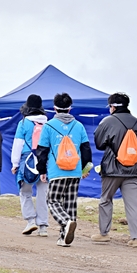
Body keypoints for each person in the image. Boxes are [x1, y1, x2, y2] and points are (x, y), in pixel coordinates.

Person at [36, 93, 92, 247]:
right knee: (70, 203)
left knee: (52, 200)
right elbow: (86, 149)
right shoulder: (79, 126)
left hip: (56, 171)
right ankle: (64, 237)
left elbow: (42, 150)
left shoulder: (48, 126)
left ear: (54, 108)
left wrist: (42, 171)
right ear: (70, 108)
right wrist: (85, 169)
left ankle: (66, 222)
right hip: (75, 171)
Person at [91, 92, 137, 248]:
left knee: (106, 200)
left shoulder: (107, 121)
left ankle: (104, 234)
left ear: (112, 107)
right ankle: (136, 238)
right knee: (134, 203)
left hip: (113, 168)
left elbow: (99, 144)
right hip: (134, 168)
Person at [11, 94, 49, 236]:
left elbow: (18, 144)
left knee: (25, 191)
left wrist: (15, 163)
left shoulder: (24, 123)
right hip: (45, 161)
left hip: (27, 160)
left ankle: (30, 221)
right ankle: (43, 226)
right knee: (42, 193)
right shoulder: (47, 122)